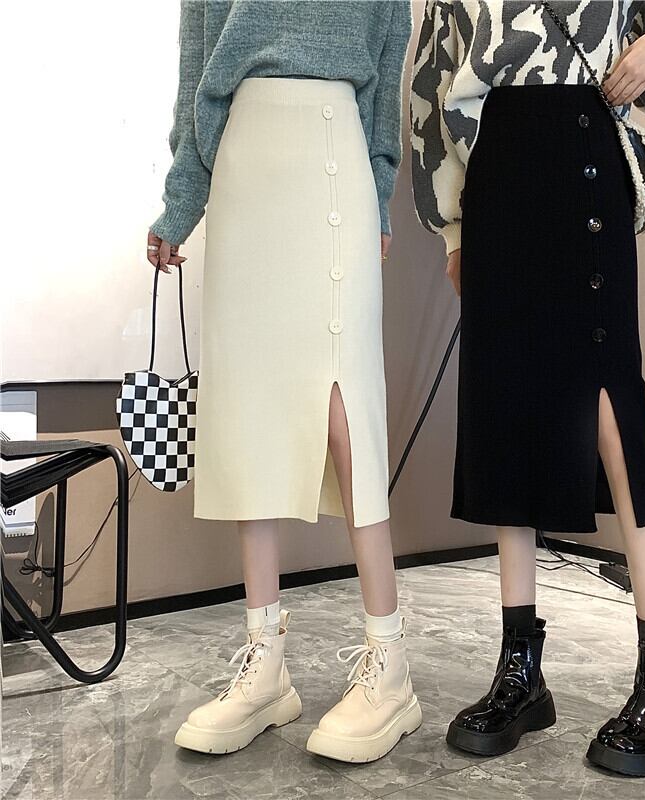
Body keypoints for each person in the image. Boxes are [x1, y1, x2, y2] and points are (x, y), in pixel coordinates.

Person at [410, 0, 645, 777]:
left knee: (609, 401)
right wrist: (453, 229)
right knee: (506, 406)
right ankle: (520, 670)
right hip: (496, 178)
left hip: (584, 158)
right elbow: (432, 81)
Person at [146, 1, 419, 763]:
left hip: (334, 161)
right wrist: (180, 201)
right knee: (249, 410)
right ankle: (264, 663)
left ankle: (390, 665)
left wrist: (379, 196)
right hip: (244, 169)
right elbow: (197, 74)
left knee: (344, 410)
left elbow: (386, 70)